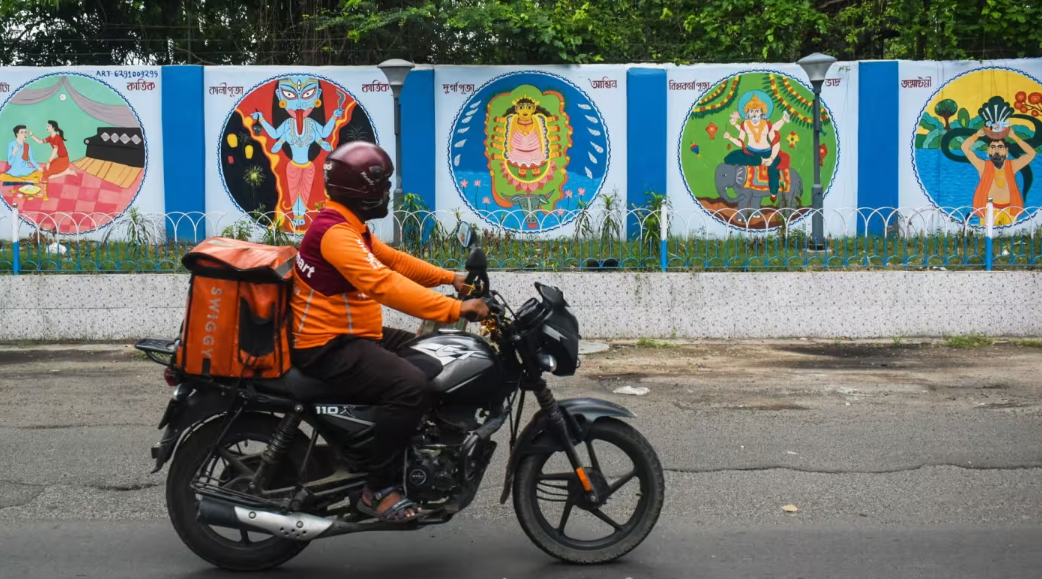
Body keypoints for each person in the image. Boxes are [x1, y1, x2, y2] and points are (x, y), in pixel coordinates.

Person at [289, 141, 490, 524]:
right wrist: (454, 307)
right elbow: (384, 284)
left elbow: (395, 261)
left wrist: (454, 279)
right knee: (409, 386)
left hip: (351, 334)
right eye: (381, 184)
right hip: (327, 345)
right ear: (362, 189)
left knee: (431, 351)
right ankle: (377, 488)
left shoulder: (349, 227)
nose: (386, 192)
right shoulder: (335, 234)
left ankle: (402, 446)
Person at [961, 127, 1037, 226]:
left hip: (1009, 210)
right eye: (993, 147)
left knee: (1009, 238)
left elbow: (1032, 153)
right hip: (989, 211)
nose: (996, 150)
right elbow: (964, 148)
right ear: (988, 151)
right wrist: (977, 135)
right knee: (987, 237)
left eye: (1000, 147)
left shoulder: (1012, 166)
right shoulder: (982, 166)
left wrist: (1015, 137)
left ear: (1006, 151)